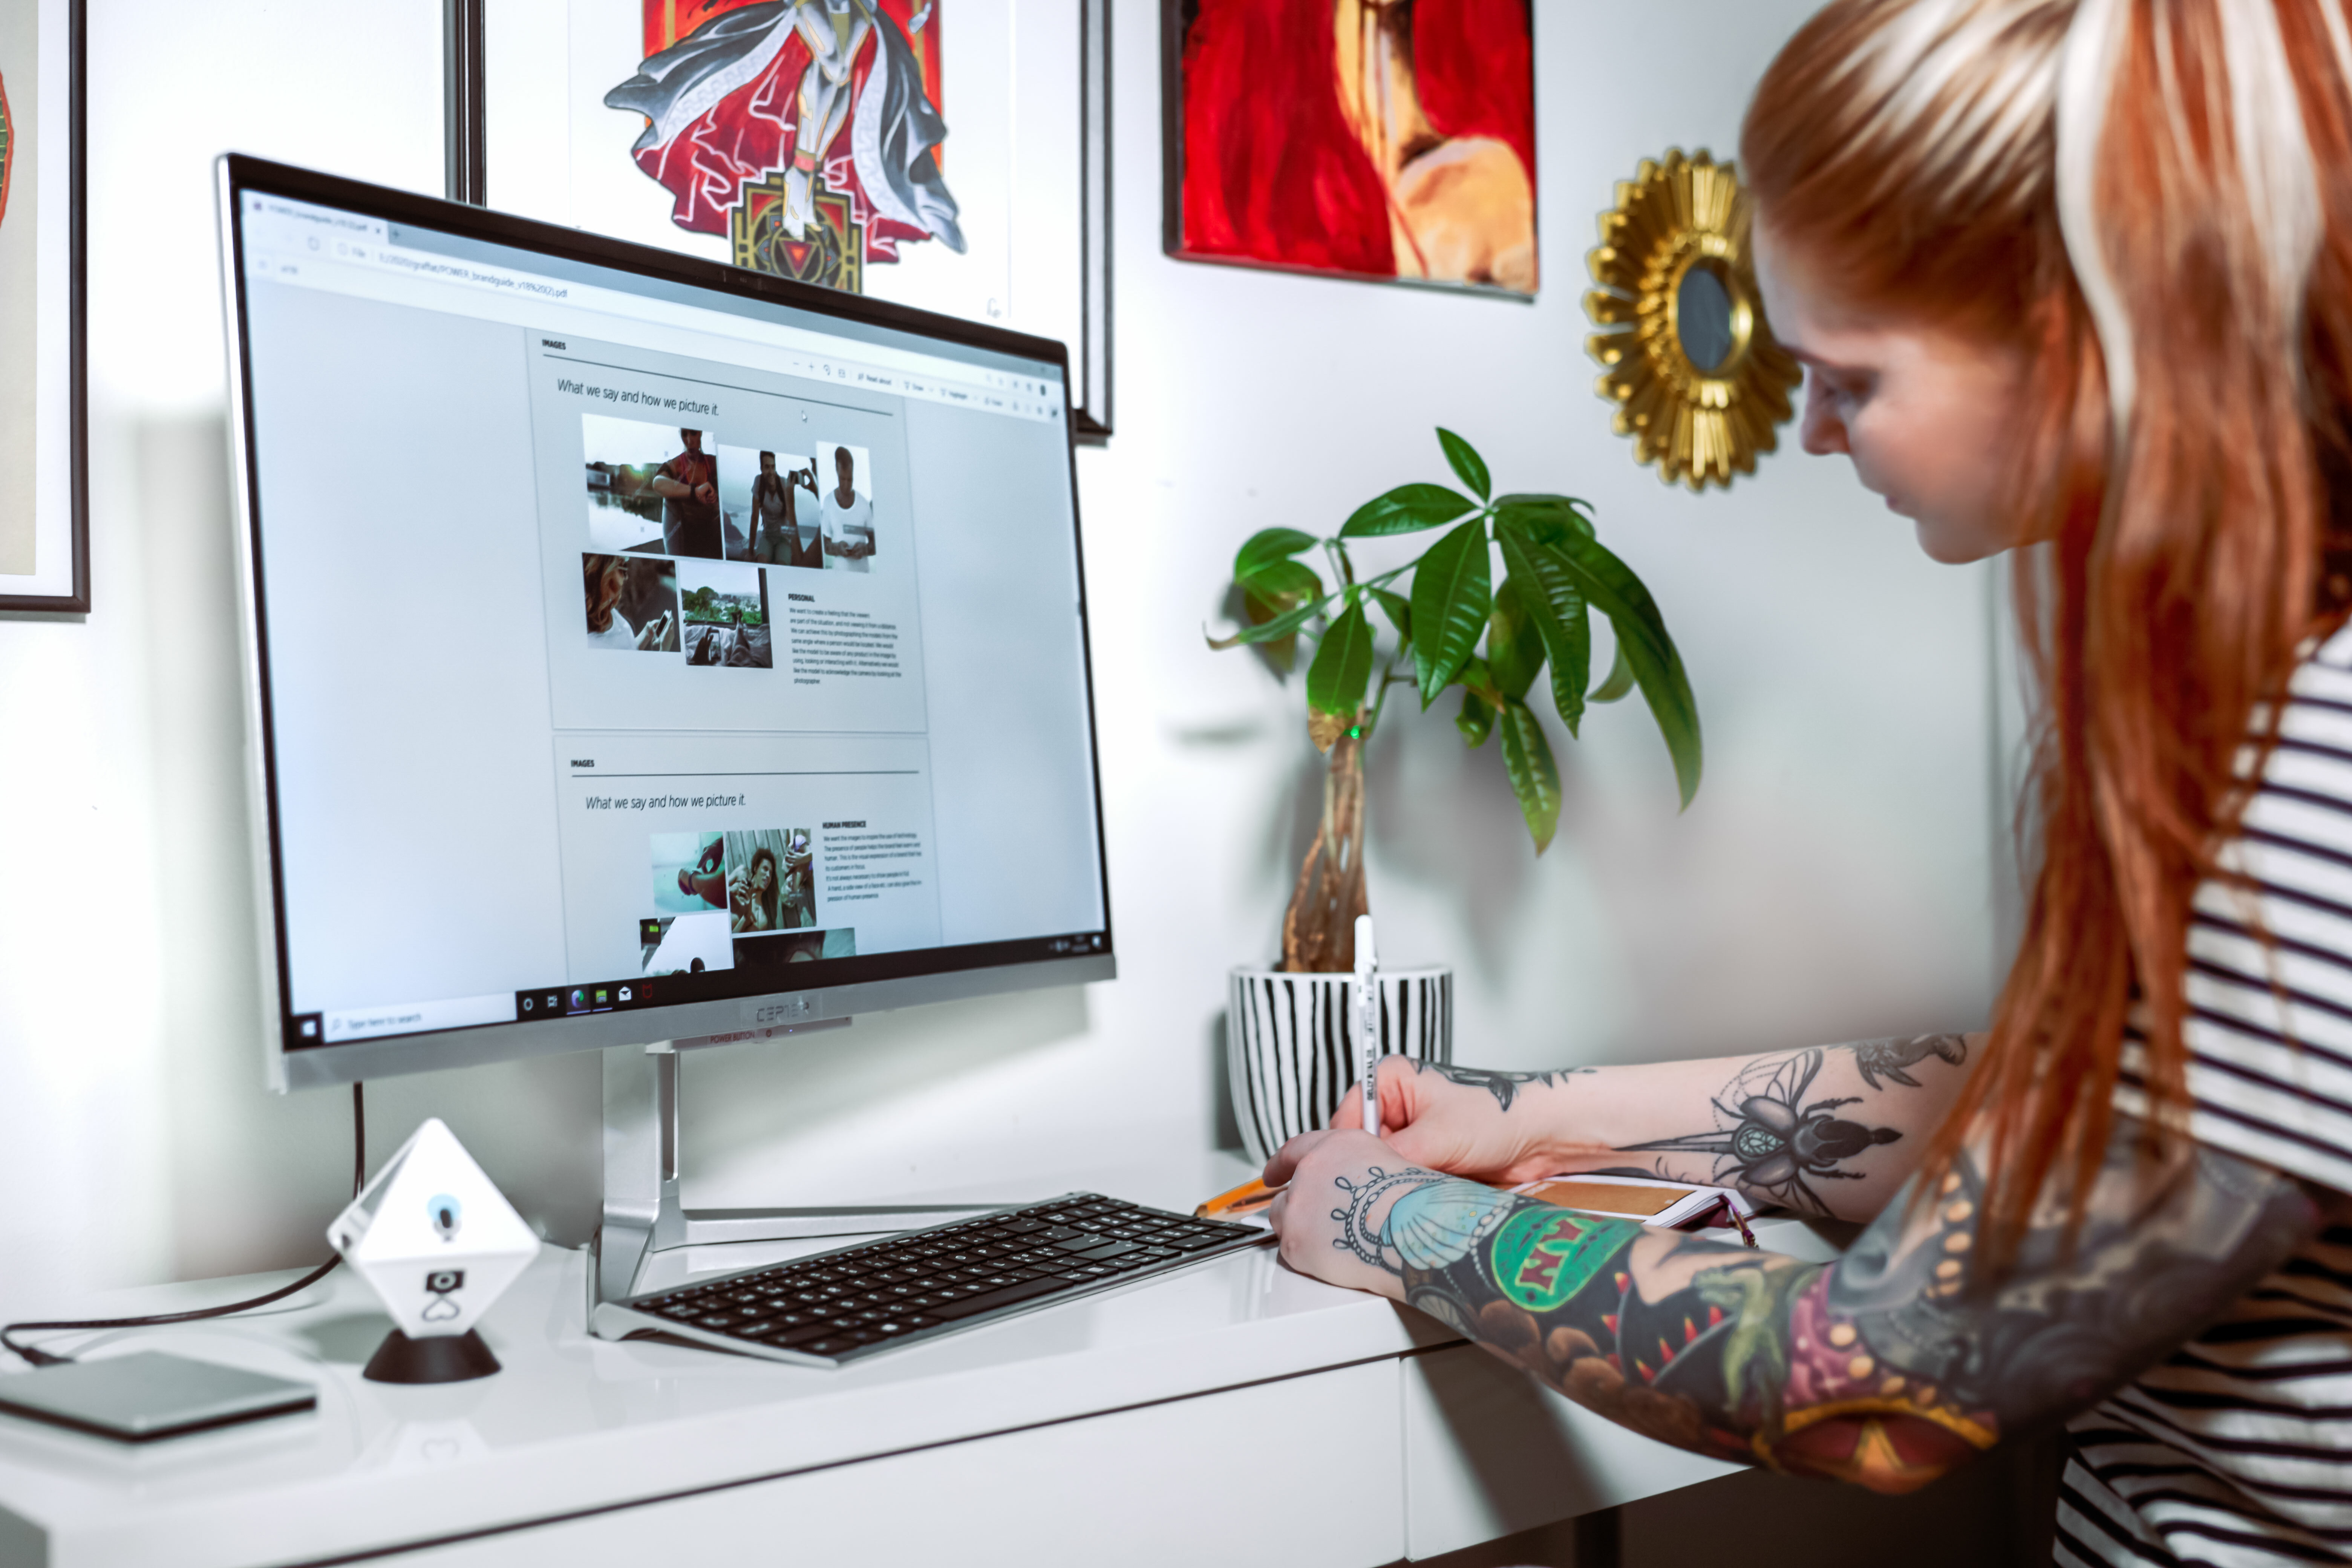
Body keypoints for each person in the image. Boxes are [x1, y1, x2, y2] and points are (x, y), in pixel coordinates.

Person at [1264, 3, 2352, 1560]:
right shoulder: (2276, 690)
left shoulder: (2312, 752)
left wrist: (1387, 1215)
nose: (1823, 433)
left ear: (2080, 329)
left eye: (1850, 374)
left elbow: (1870, 1378)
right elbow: (2058, 1109)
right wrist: (1531, 1113)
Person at [651, 429, 722, 558]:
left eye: (693, 433)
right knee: (669, 499)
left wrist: (717, 495)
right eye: (685, 435)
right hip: (686, 536)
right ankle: (675, 560)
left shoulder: (713, 463)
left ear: (700, 433)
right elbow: (658, 483)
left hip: (712, 532)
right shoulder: (676, 465)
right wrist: (695, 492)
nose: (689, 441)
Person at [747, 451, 819, 566]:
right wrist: (750, 550)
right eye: (767, 467)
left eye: (773, 467)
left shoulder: (784, 484)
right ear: (761, 469)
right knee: (762, 561)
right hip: (768, 536)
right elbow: (755, 518)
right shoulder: (758, 482)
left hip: (784, 538)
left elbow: (790, 520)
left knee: (782, 563)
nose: (771, 472)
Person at [821, 445, 874, 571]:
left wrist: (866, 549)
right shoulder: (828, 502)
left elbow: (877, 544)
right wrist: (837, 549)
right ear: (836, 471)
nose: (846, 485)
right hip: (839, 579)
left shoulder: (864, 504)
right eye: (842, 479)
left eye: (850, 480)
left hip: (864, 579)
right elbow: (825, 546)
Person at [729, 844, 782, 933]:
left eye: (771, 873)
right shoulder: (741, 873)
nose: (768, 875)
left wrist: (747, 917)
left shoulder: (761, 918)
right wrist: (731, 890)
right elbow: (712, 890)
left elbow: (735, 942)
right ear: (756, 868)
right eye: (765, 869)